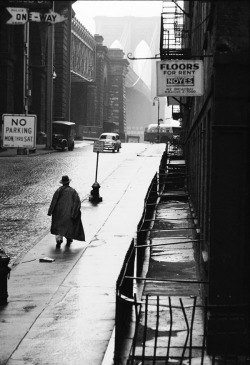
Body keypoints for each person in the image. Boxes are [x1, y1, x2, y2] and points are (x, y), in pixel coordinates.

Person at [48, 175, 85, 248]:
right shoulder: (73, 191)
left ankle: (59, 240)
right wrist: (74, 213)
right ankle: (68, 238)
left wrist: (50, 211)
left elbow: (54, 201)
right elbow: (77, 203)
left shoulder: (58, 190)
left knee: (58, 228)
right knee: (68, 227)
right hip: (68, 213)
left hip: (58, 213)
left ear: (62, 183)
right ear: (68, 183)